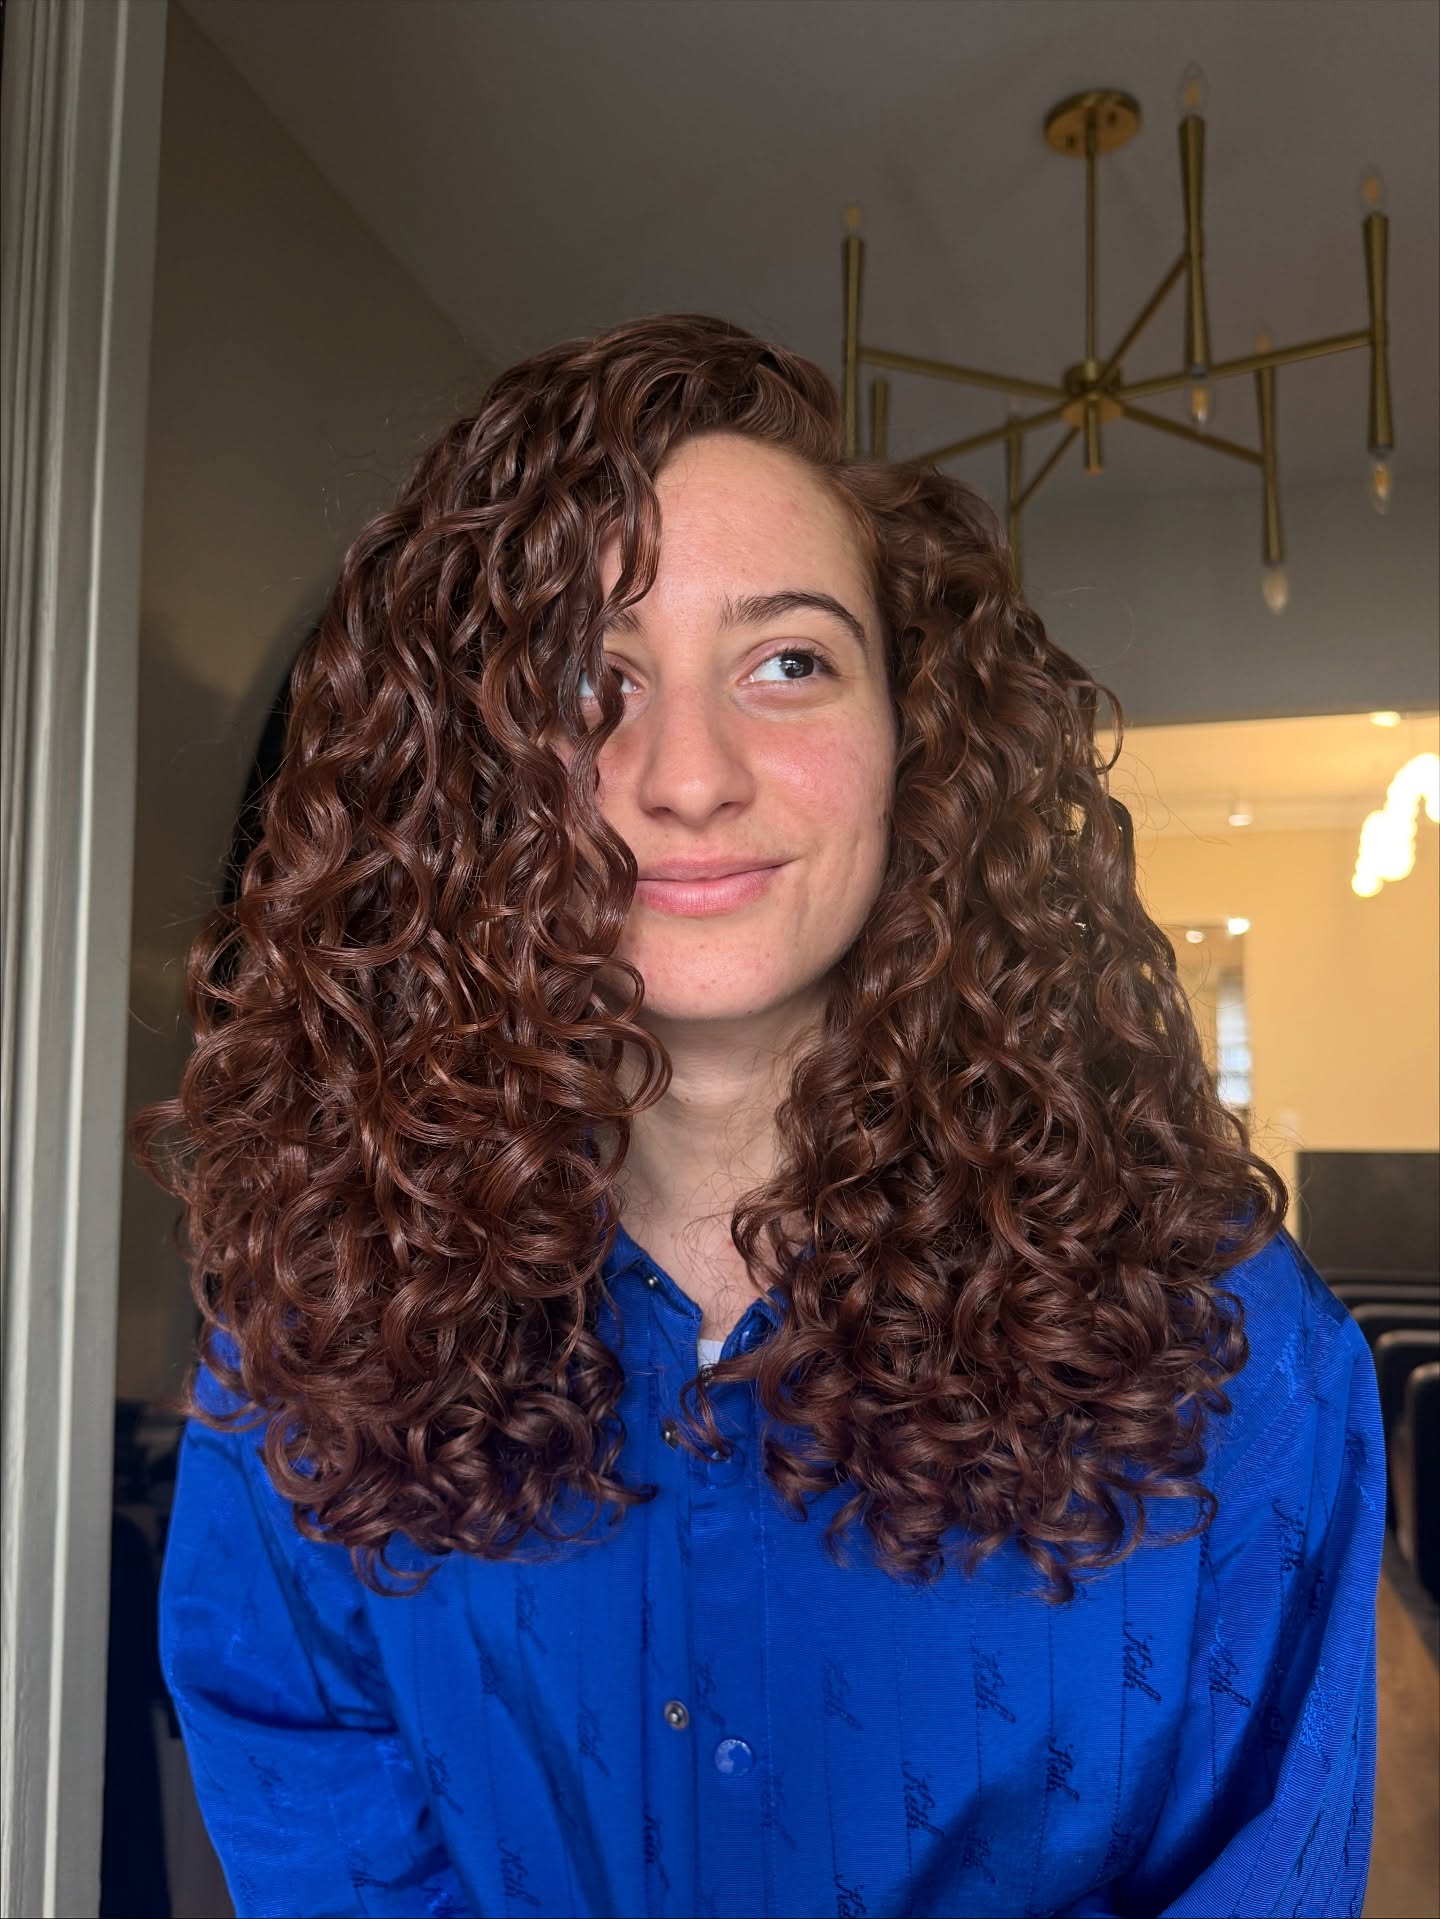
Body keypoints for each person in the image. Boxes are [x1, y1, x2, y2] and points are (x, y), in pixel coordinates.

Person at [134, 314, 1385, 1919]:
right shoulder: (305, 1335)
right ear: (480, 778)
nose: (691, 773)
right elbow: (314, 1804)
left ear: (915, 741)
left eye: (786, 660)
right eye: (595, 681)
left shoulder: (1228, 1345)